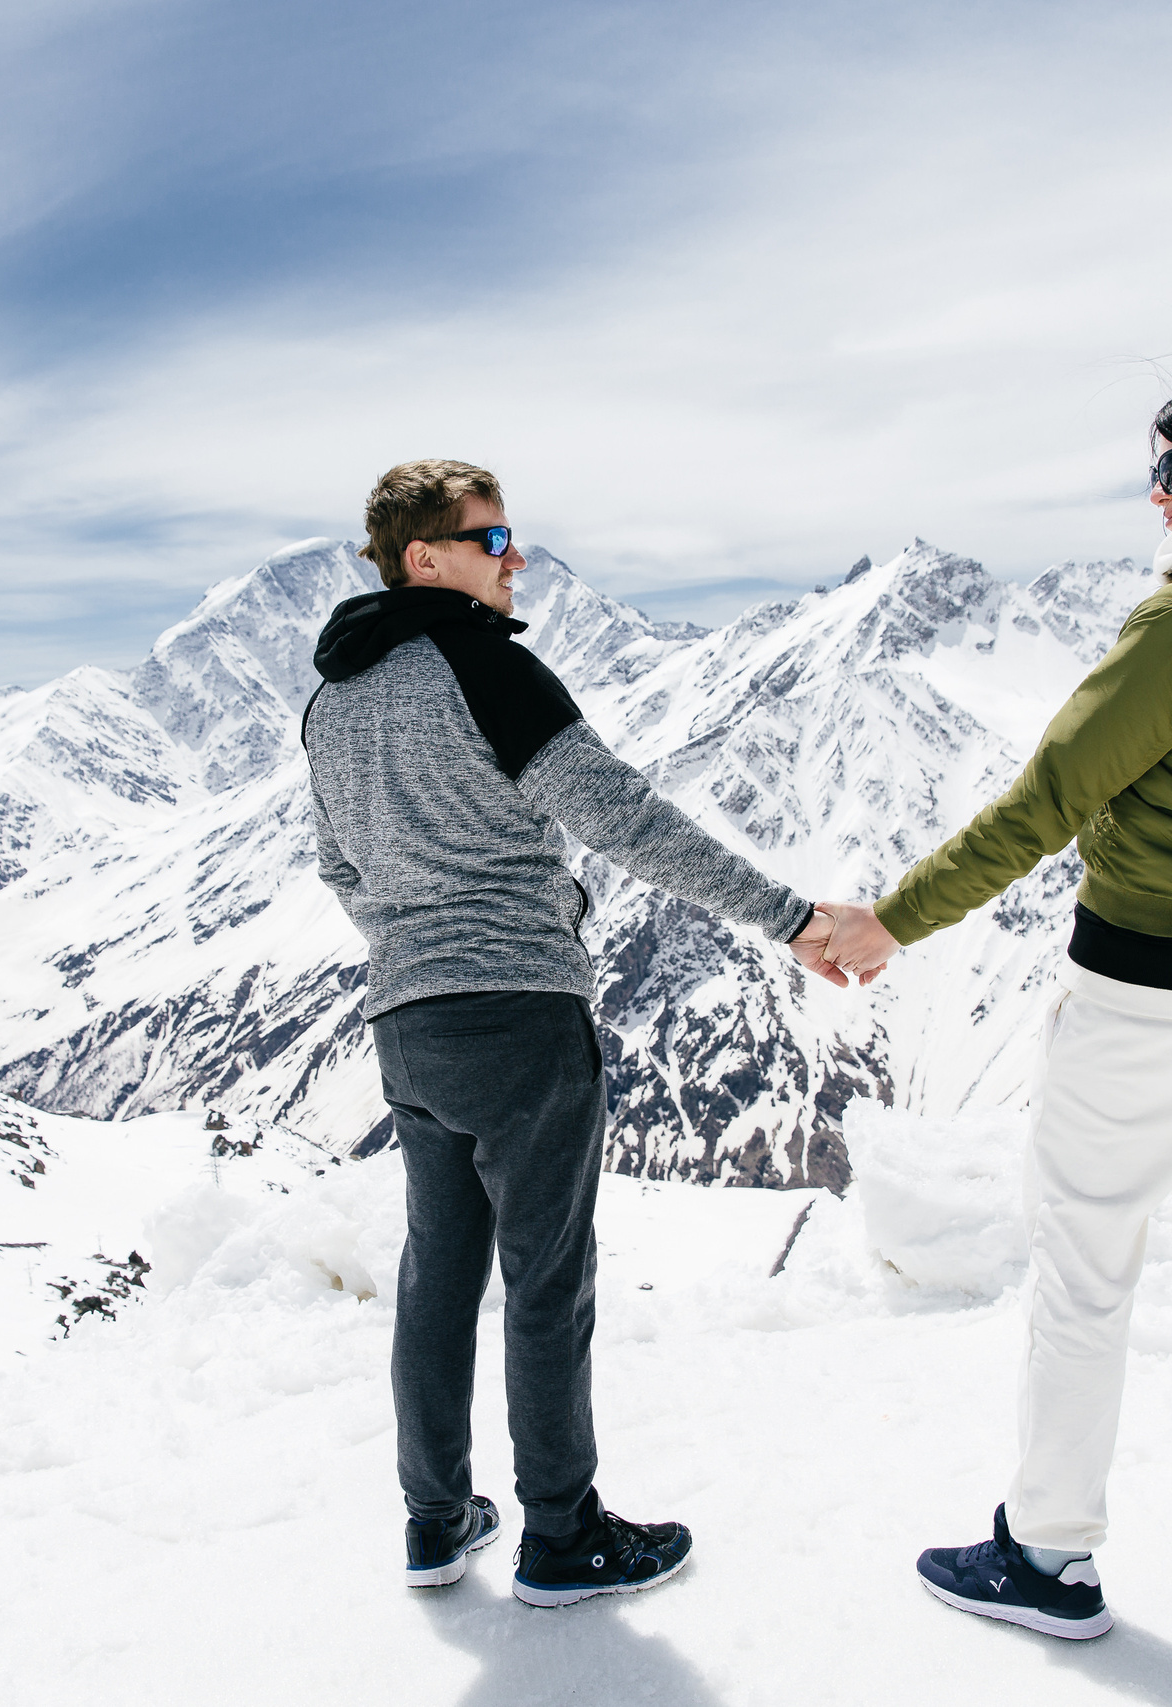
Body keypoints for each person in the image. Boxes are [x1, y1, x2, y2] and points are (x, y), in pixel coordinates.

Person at [822, 362, 1172, 1640]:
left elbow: (1043, 806)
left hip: (1146, 993)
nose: (1153, 497)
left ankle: (1048, 1556)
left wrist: (888, 922)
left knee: (1088, 1268)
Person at [303, 458, 844, 1606]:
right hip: (521, 1012)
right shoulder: (484, 666)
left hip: (409, 1022)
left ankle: (435, 1522)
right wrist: (788, 918)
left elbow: (337, 865)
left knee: (437, 1278)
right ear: (425, 559)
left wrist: (416, 932)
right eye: (492, 541)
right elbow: (625, 820)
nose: (516, 560)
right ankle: (561, 1534)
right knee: (545, 1280)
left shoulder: (330, 699)